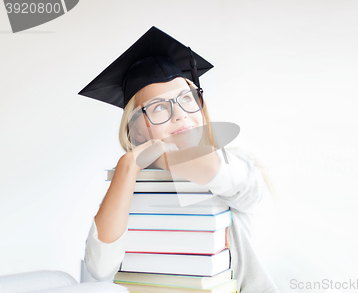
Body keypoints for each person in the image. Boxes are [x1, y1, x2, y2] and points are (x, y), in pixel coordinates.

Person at [78, 26, 279, 293]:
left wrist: (160, 155)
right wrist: (127, 167)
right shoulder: (132, 183)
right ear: (135, 128)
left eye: (187, 98)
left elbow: (208, 166)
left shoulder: (235, 162)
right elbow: (100, 268)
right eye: (160, 107)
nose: (181, 115)